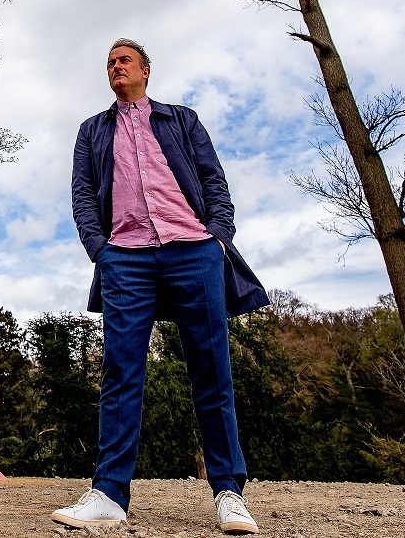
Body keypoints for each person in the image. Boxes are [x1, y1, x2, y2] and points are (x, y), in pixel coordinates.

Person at [52, 38, 269, 535]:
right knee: (120, 371)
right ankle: (108, 493)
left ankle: (229, 493)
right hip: (125, 257)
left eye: (124, 60)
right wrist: (99, 250)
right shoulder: (92, 131)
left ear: (146, 71)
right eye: (109, 62)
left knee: (211, 369)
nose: (115, 67)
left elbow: (214, 180)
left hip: (194, 249)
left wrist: (218, 239)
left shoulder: (182, 120)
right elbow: (83, 195)